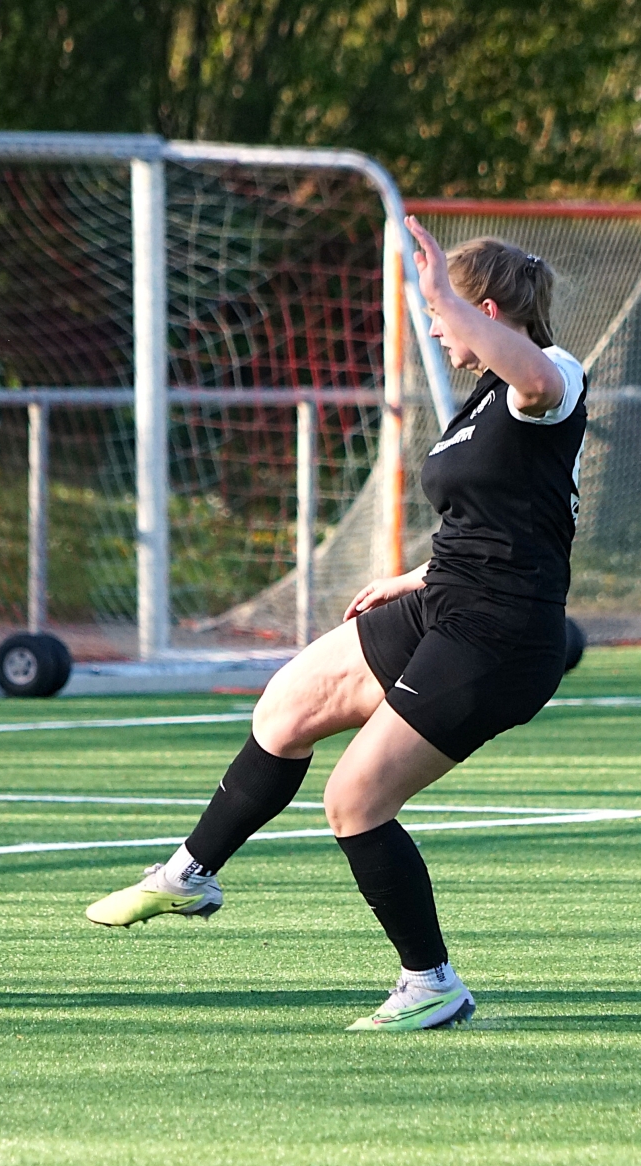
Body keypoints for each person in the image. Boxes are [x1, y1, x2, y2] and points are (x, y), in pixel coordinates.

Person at [86, 219, 587, 1030]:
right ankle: (187, 875)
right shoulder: (486, 397)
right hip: (447, 599)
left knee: (354, 800)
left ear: (487, 312)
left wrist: (445, 295)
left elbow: (535, 379)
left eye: (440, 314)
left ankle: (431, 983)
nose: (434, 328)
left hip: (500, 635)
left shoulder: (552, 374)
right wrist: (410, 577)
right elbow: (507, 522)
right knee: (287, 705)